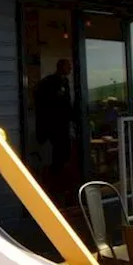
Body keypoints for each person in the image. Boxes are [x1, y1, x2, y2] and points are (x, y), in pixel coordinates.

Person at [34, 59, 75, 195]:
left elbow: (66, 103)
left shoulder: (64, 82)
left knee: (63, 154)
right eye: (68, 66)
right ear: (60, 67)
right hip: (53, 127)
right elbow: (44, 102)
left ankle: (62, 185)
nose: (70, 69)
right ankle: (55, 187)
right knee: (56, 156)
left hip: (63, 125)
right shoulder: (50, 82)